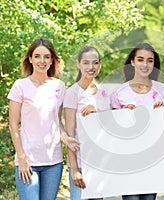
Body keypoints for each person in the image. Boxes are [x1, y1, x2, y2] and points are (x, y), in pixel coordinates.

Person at [8, 38, 79, 200]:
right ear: (30, 59)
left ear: (52, 60)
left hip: (53, 162)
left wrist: (66, 138)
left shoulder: (59, 86)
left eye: (47, 56)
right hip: (28, 161)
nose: (42, 61)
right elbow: (13, 125)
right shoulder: (20, 86)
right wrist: (21, 158)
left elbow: (56, 122)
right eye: (37, 56)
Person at [110, 43, 164, 200]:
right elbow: (112, 131)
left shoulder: (163, 90)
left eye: (150, 60)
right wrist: (123, 115)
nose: (145, 64)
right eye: (141, 59)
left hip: (153, 161)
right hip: (128, 161)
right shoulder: (119, 92)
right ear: (132, 62)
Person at [63, 47, 109, 200]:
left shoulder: (104, 92)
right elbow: (69, 135)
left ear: (100, 65)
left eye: (95, 63)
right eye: (86, 63)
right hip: (81, 164)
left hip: (99, 163)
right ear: (78, 64)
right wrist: (74, 169)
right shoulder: (72, 93)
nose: (91, 67)